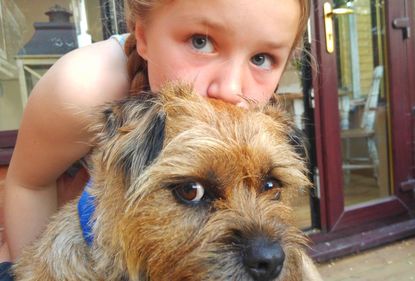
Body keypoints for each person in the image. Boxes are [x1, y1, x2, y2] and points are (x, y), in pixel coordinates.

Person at [1, 0, 318, 279]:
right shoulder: (80, 88)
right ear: (141, 34)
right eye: (200, 41)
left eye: (261, 58)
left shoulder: (261, 116)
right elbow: (28, 185)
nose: (231, 88)